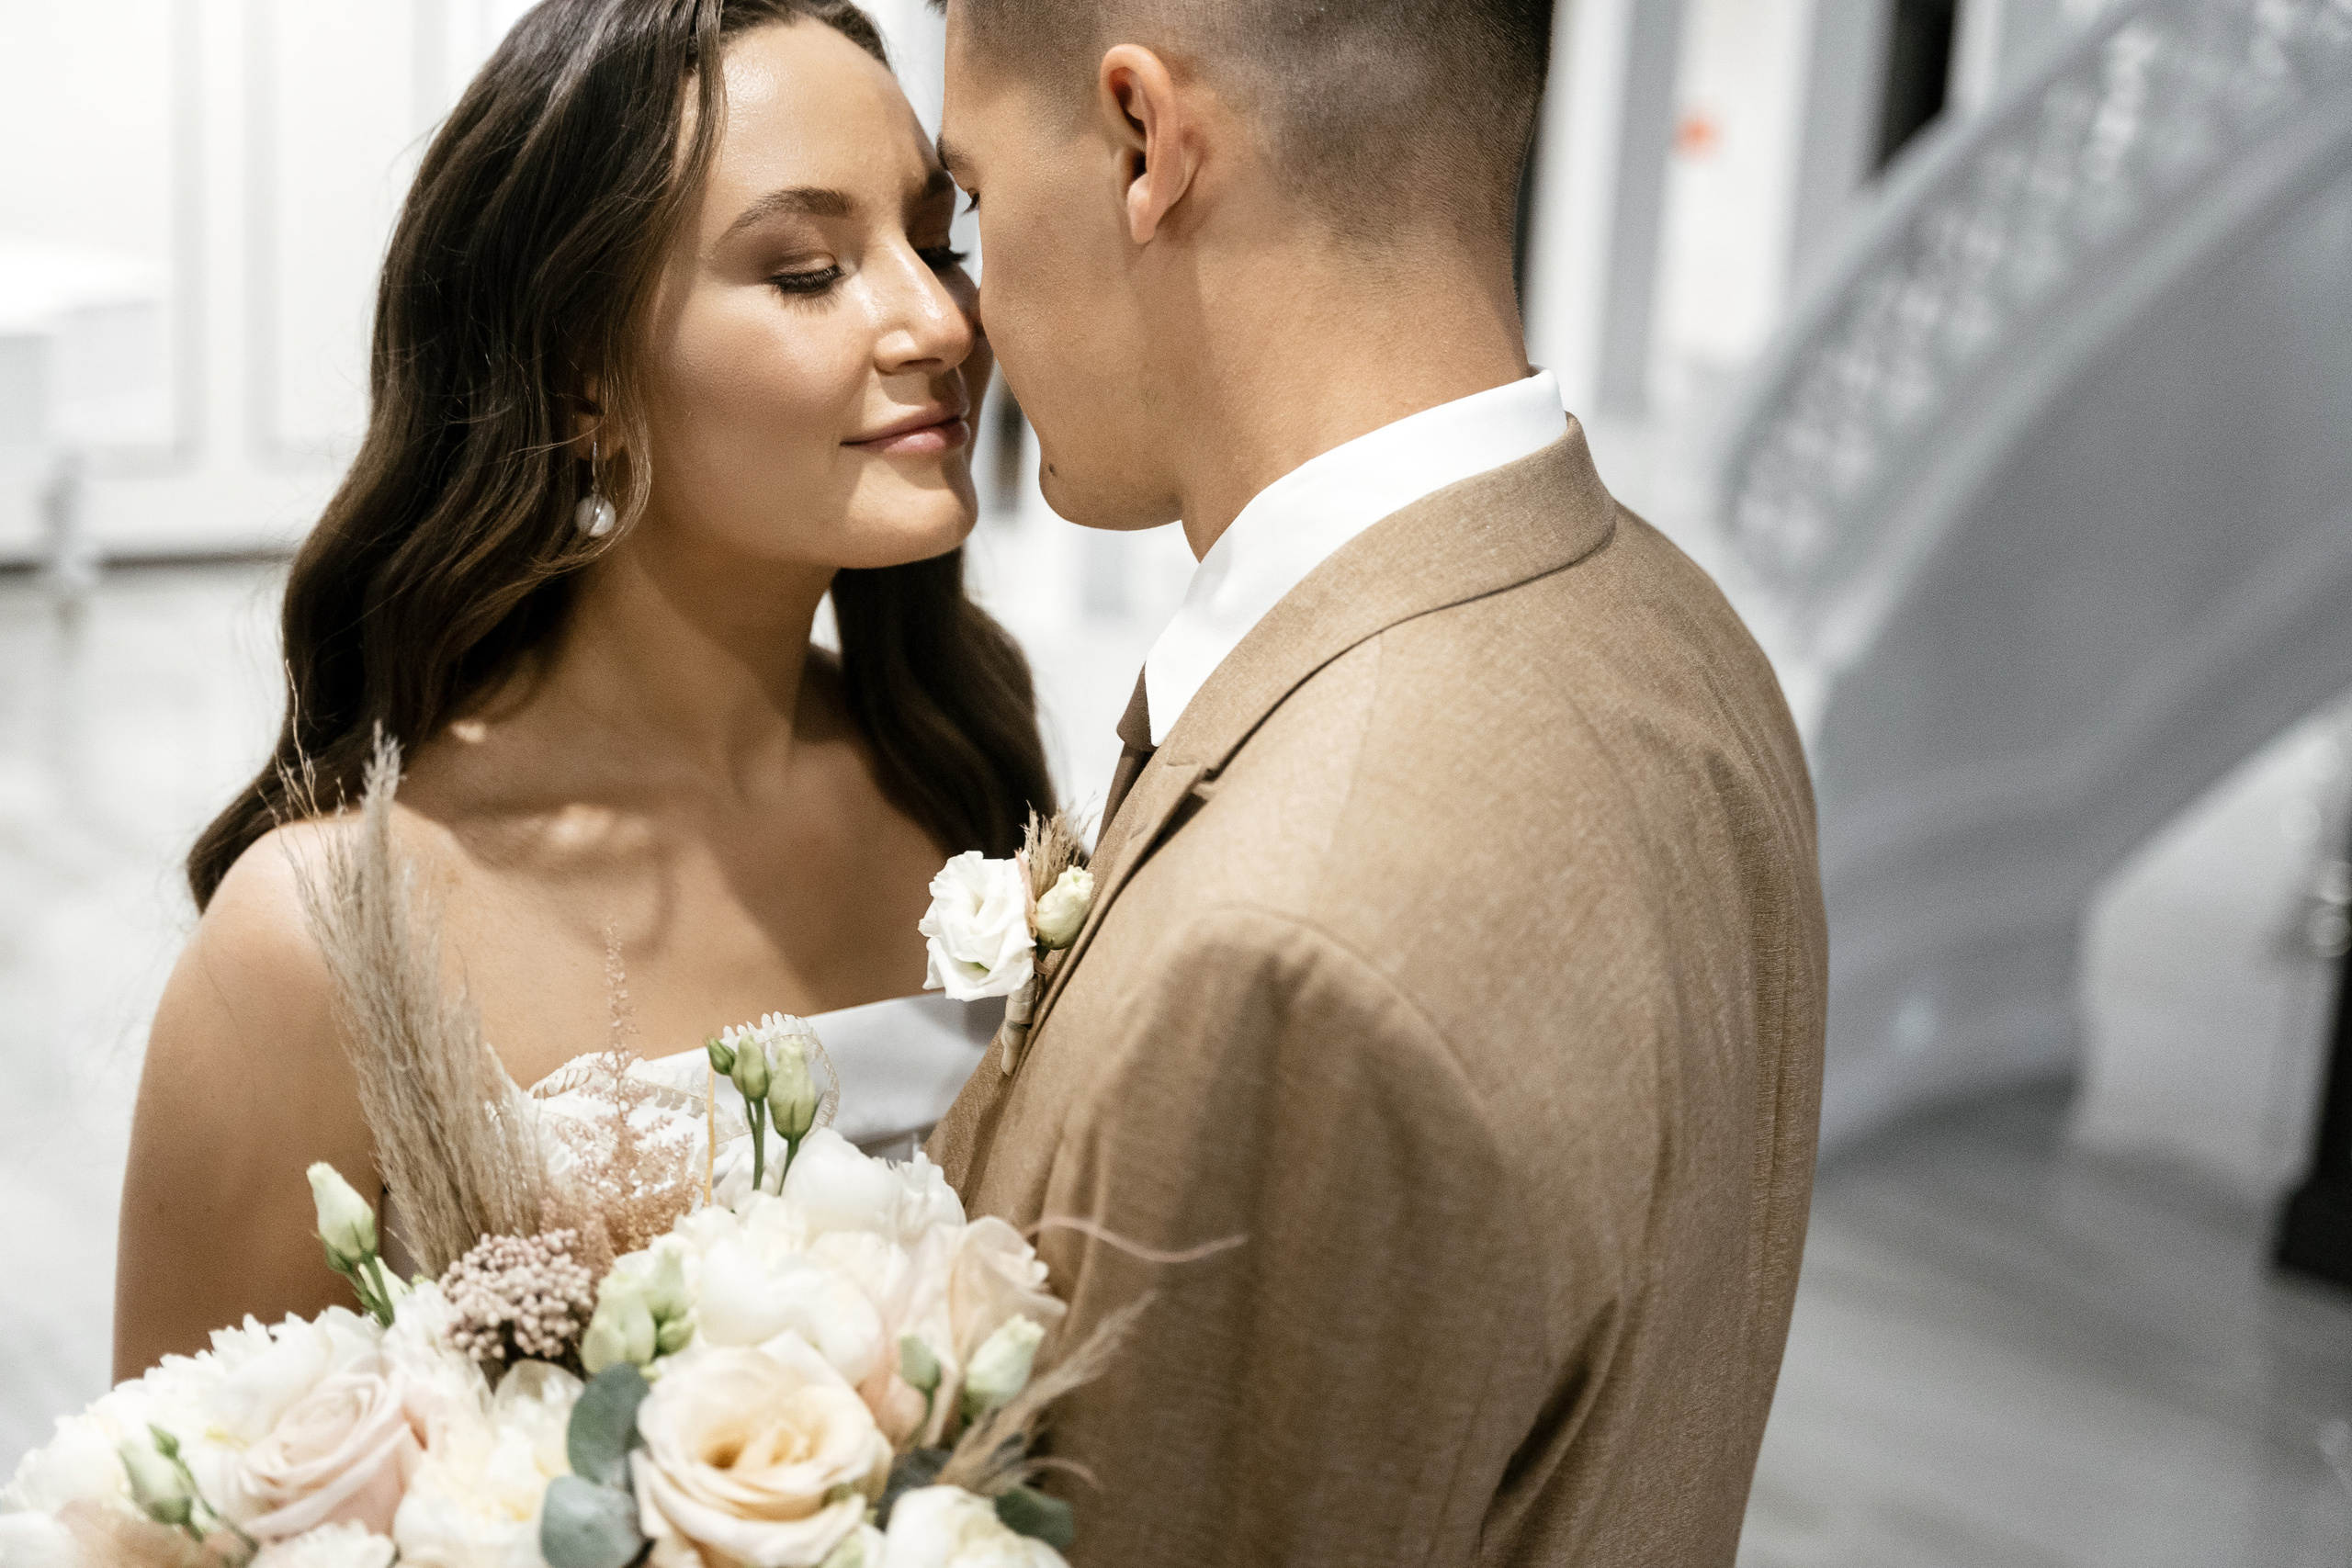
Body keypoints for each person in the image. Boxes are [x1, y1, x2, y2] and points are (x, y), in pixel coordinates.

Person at [923, 2, 1829, 1564]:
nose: (963, 311)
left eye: (976, 200)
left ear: (1146, 142)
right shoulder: (1686, 643)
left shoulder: (1284, 954)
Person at [113, 0, 1048, 1381]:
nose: (936, 322)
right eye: (803, 272)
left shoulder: (957, 752)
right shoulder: (322, 944)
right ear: (584, 377)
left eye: (931, 240)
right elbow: (160, 1506)